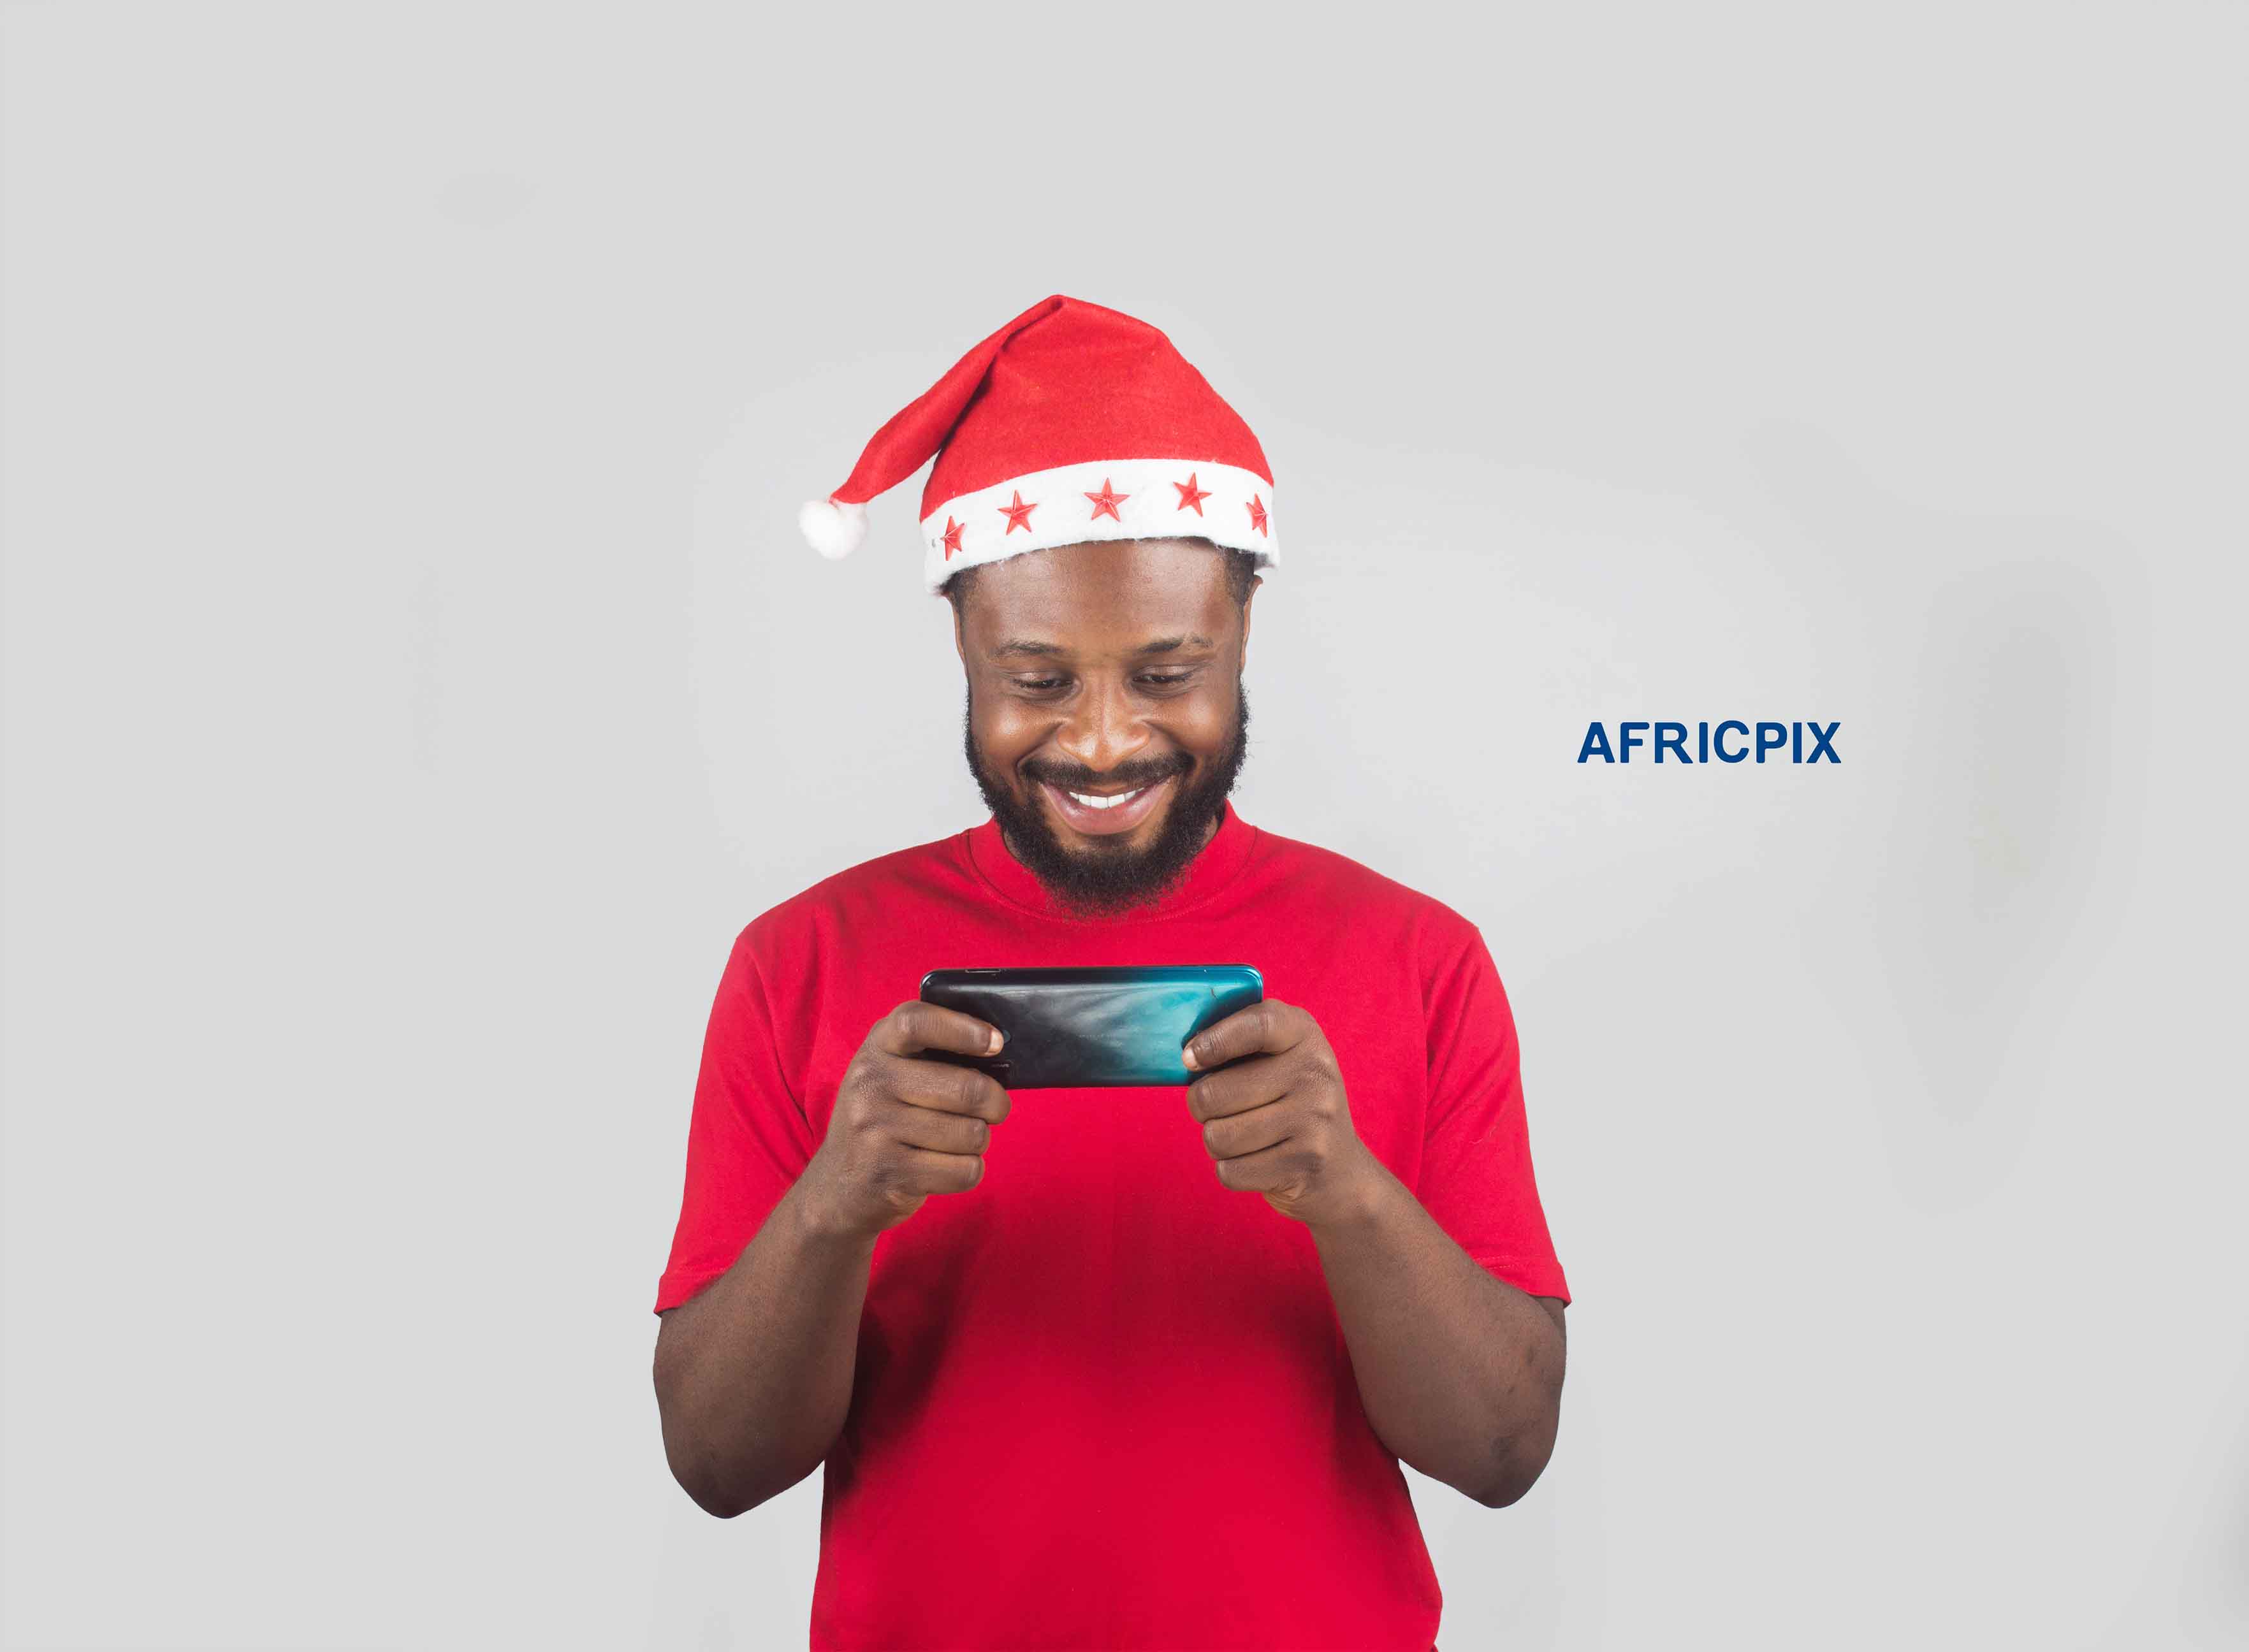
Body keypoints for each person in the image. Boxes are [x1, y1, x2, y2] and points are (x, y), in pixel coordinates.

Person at [652, 296, 1572, 1652]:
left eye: (1167, 672)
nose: (1100, 742)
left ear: (1245, 623)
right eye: (1036, 677)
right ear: (959, 637)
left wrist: (1352, 1198)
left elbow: (1504, 1451)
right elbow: (715, 1468)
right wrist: (835, 1206)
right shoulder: (800, 964)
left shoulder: (1422, 961)